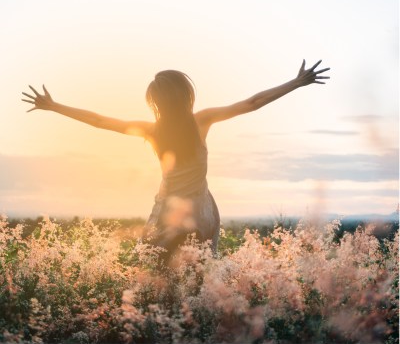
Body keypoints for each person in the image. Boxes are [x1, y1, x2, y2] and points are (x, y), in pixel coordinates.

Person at [22, 60, 330, 260]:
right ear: (187, 95)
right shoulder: (201, 121)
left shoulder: (151, 130)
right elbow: (252, 103)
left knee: (151, 267)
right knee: (201, 271)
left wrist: (54, 106)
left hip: (169, 209)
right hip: (202, 210)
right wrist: (295, 82)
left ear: (155, 102)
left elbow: (99, 121)